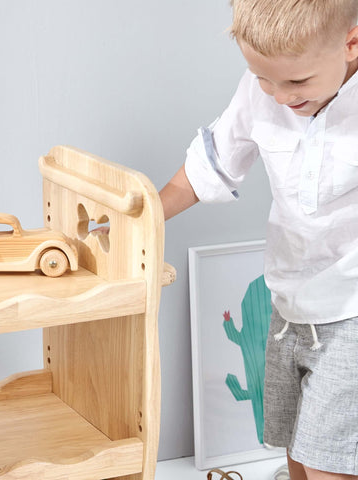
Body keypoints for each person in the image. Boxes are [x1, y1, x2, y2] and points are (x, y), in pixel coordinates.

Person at [159, 1, 358, 479]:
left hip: (352, 308)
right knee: (292, 442)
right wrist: (145, 215)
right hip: (290, 303)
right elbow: (209, 166)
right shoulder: (260, 93)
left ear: (352, 43)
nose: (280, 96)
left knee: (330, 460)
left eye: (297, 82)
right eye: (264, 78)